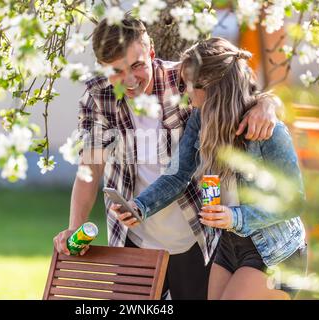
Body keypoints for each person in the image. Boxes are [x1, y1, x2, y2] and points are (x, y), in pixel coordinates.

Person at [53, 16, 281, 300]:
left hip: (197, 235)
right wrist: (75, 229)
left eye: (137, 65)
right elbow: (90, 169)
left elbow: (244, 96)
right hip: (134, 238)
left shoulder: (185, 80)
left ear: (151, 52)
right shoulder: (98, 96)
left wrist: (267, 104)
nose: (130, 80)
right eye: (117, 71)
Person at [114, 37, 308, 300]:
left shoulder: (267, 131)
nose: (184, 94)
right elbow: (177, 176)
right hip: (228, 246)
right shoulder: (200, 121)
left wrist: (234, 217)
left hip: (275, 250)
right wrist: (141, 206)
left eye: (189, 86)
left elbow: (293, 202)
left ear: (212, 88)